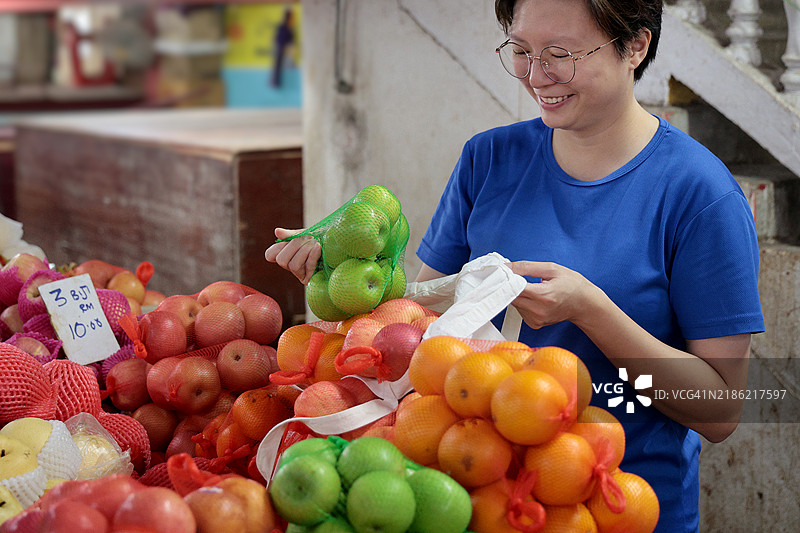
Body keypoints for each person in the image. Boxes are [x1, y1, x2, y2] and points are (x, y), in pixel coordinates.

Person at [266, 0, 764, 531]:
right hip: (475, 501)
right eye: (521, 51)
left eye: (560, 54)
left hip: (615, 509)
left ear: (636, 46)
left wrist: (592, 311)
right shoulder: (488, 160)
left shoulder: (699, 195)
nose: (536, 75)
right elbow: (422, 333)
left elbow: (720, 410)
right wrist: (342, 272)